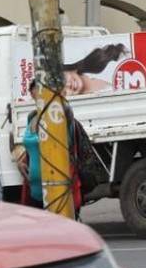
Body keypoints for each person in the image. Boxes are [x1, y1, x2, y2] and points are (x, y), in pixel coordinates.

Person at [16, 79, 95, 217]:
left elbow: (68, 146)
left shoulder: (62, 114)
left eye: (41, 89)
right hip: (35, 189)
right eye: (34, 90)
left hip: (59, 188)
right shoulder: (32, 117)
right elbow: (30, 147)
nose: (37, 93)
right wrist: (22, 161)